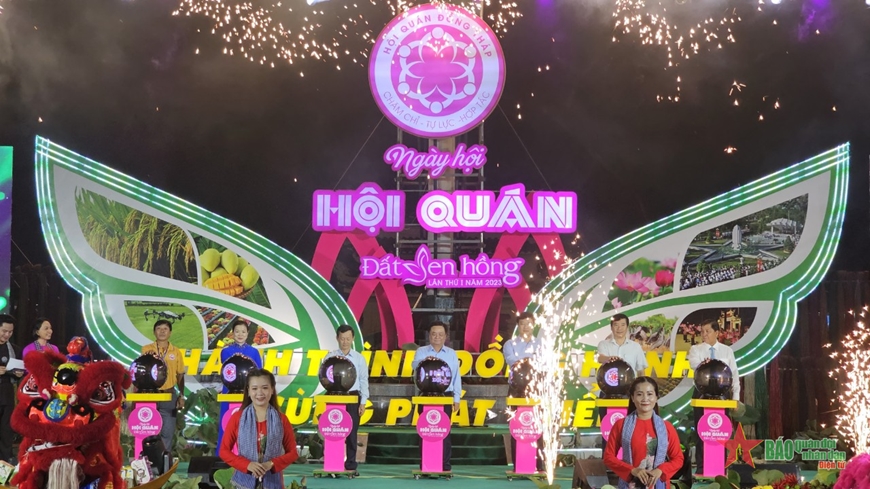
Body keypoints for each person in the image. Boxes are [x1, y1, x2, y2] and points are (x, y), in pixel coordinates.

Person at [220, 369, 298, 489]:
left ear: (272, 390)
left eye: (265, 388)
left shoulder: (282, 419)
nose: (259, 393)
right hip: (242, 483)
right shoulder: (237, 418)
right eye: (254, 388)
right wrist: (247, 465)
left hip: (273, 483)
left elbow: (293, 453)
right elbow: (224, 451)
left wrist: (271, 464)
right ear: (248, 391)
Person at [603, 377, 684, 489]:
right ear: (632, 398)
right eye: (639, 394)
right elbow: (608, 457)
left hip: (658, 485)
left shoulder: (666, 427)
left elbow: (678, 459)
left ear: (656, 397)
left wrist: (660, 470)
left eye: (650, 394)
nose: (645, 399)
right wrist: (632, 470)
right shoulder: (621, 425)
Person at [685, 319, 740, 476]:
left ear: (717, 332)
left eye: (707, 331)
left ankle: (721, 467)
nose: (704, 334)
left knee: (721, 431)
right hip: (702, 393)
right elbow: (694, 364)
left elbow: (734, 373)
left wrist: (736, 397)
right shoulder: (696, 349)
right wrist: (706, 364)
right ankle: (702, 467)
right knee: (702, 431)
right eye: (702, 331)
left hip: (722, 395)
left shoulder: (727, 351)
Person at [412, 321, 461, 472]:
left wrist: (456, 398)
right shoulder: (421, 352)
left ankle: (445, 465)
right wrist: (427, 362)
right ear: (429, 336)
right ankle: (425, 465)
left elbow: (456, 377)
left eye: (440, 334)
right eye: (434, 334)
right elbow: (415, 367)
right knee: (425, 430)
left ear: (446, 336)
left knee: (444, 431)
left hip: (445, 396)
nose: (437, 337)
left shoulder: (452, 354)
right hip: (425, 396)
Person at [323, 324, 369, 475]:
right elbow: (324, 376)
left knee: (352, 431)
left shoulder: (359, 358)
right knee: (333, 430)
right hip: (334, 396)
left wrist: (363, 402)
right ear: (337, 338)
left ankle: (351, 465)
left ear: (353, 338)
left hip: (353, 396)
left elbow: (364, 380)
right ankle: (332, 463)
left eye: (348, 339)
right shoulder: (329, 358)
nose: (345, 342)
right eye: (342, 338)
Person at [503, 312, 543, 472]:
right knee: (516, 426)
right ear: (518, 326)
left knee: (537, 425)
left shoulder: (541, 343)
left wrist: (526, 361)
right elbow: (512, 362)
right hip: (516, 389)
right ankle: (518, 465)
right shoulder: (509, 344)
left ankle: (539, 465)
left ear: (534, 325)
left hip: (536, 388)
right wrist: (530, 360)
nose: (525, 327)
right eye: (522, 324)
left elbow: (543, 363)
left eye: (528, 323)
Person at [141, 319, 186, 454]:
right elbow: (141, 370)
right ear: (154, 332)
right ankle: (149, 461)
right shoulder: (147, 349)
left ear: (170, 333)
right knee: (149, 430)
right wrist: (147, 358)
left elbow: (180, 375)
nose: (162, 331)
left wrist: (181, 395)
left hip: (169, 395)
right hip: (150, 395)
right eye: (159, 328)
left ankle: (164, 462)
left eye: (165, 329)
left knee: (167, 432)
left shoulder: (176, 352)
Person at [218, 319, 264, 453]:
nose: (240, 334)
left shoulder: (254, 352)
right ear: (232, 333)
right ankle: (226, 453)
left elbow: (259, 372)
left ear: (248, 334)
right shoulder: (225, 351)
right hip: (230, 390)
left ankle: (249, 453)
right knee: (228, 421)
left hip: (248, 392)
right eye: (237, 331)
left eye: (243, 332)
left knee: (249, 422)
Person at [596, 314, 648, 423]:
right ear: (611, 327)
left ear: (627, 327)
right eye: (616, 325)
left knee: (630, 425)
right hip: (607, 391)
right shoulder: (604, 344)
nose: (619, 328)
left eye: (623, 325)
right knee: (607, 425)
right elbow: (600, 358)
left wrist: (642, 390)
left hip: (629, 392)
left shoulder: (635, 347)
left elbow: (641, 371)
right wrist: (609, 358)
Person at [0, 314, 23, 465]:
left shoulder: (14, 349)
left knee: (6, 430)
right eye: (4, 331)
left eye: (10, 332)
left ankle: (4, 464)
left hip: (7, 394)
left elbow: (19, 369)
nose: (7, 334)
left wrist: (19, 373)